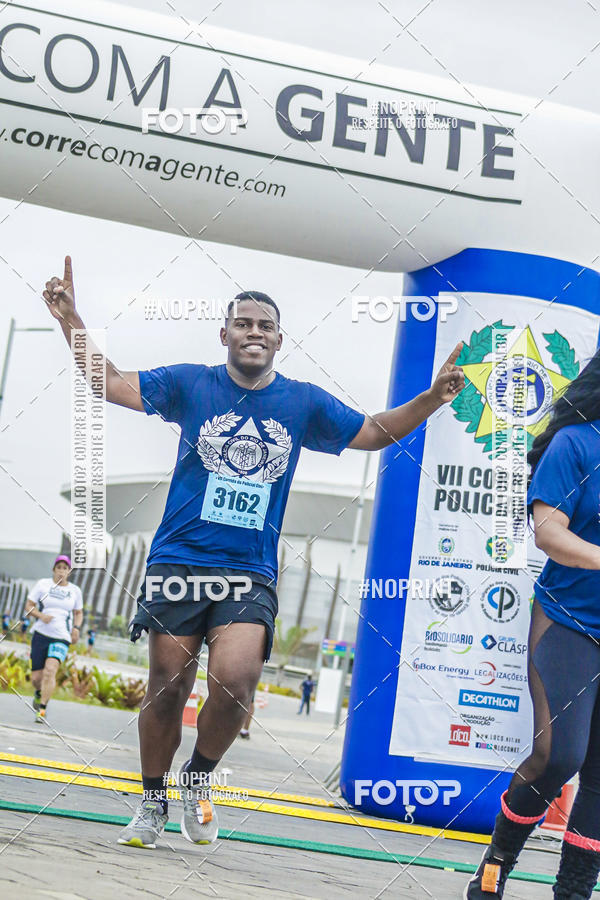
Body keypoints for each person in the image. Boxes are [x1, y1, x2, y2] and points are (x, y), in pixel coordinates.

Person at [42, 255, 464, 851]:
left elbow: (374, 432)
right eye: (243, 324)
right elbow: (107, 382)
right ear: (225, 335)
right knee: (167, 684)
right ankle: (152, 800)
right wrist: (70, 318)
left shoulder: (302, 403)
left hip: (249, 570)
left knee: (237, 683)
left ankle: (198, 778)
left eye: (265, 326)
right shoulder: (191, 384)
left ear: (279, 340)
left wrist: (432, 399)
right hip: (179, 560)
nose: (254, 332)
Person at [465, 350, 600, 900]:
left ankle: (573, 892)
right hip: (568, 620)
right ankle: (496, 865)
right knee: (557, 756)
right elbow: (549, 534)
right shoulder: (576, 443)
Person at [25, 555, 83, 723]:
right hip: (41, 634)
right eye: (59, 568)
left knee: (50, 670)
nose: (61, 571)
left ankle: (42, 710)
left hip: (62, 636)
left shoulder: (75, 591)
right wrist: (41, 615)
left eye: (65, 568)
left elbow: (78, 612)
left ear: (69, 572)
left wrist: (76, 628)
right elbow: (29, 606)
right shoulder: (43, 584)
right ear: (53, 570)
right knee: (36, 678)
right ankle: (38, 694)